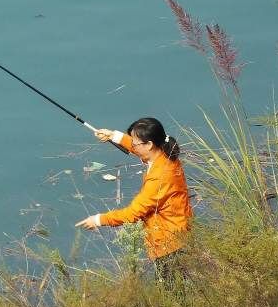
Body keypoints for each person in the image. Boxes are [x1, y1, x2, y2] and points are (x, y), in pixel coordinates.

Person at [75, 117, 192, 287]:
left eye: (136, 143)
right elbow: (136, 147)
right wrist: (113, 136)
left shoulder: (160, 177)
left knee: (173, 293)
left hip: (169, 242)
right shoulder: (163, 153)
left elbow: (133, 213)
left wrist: (99, 220)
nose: (134, 146)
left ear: (149, 144)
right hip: (177, 232)